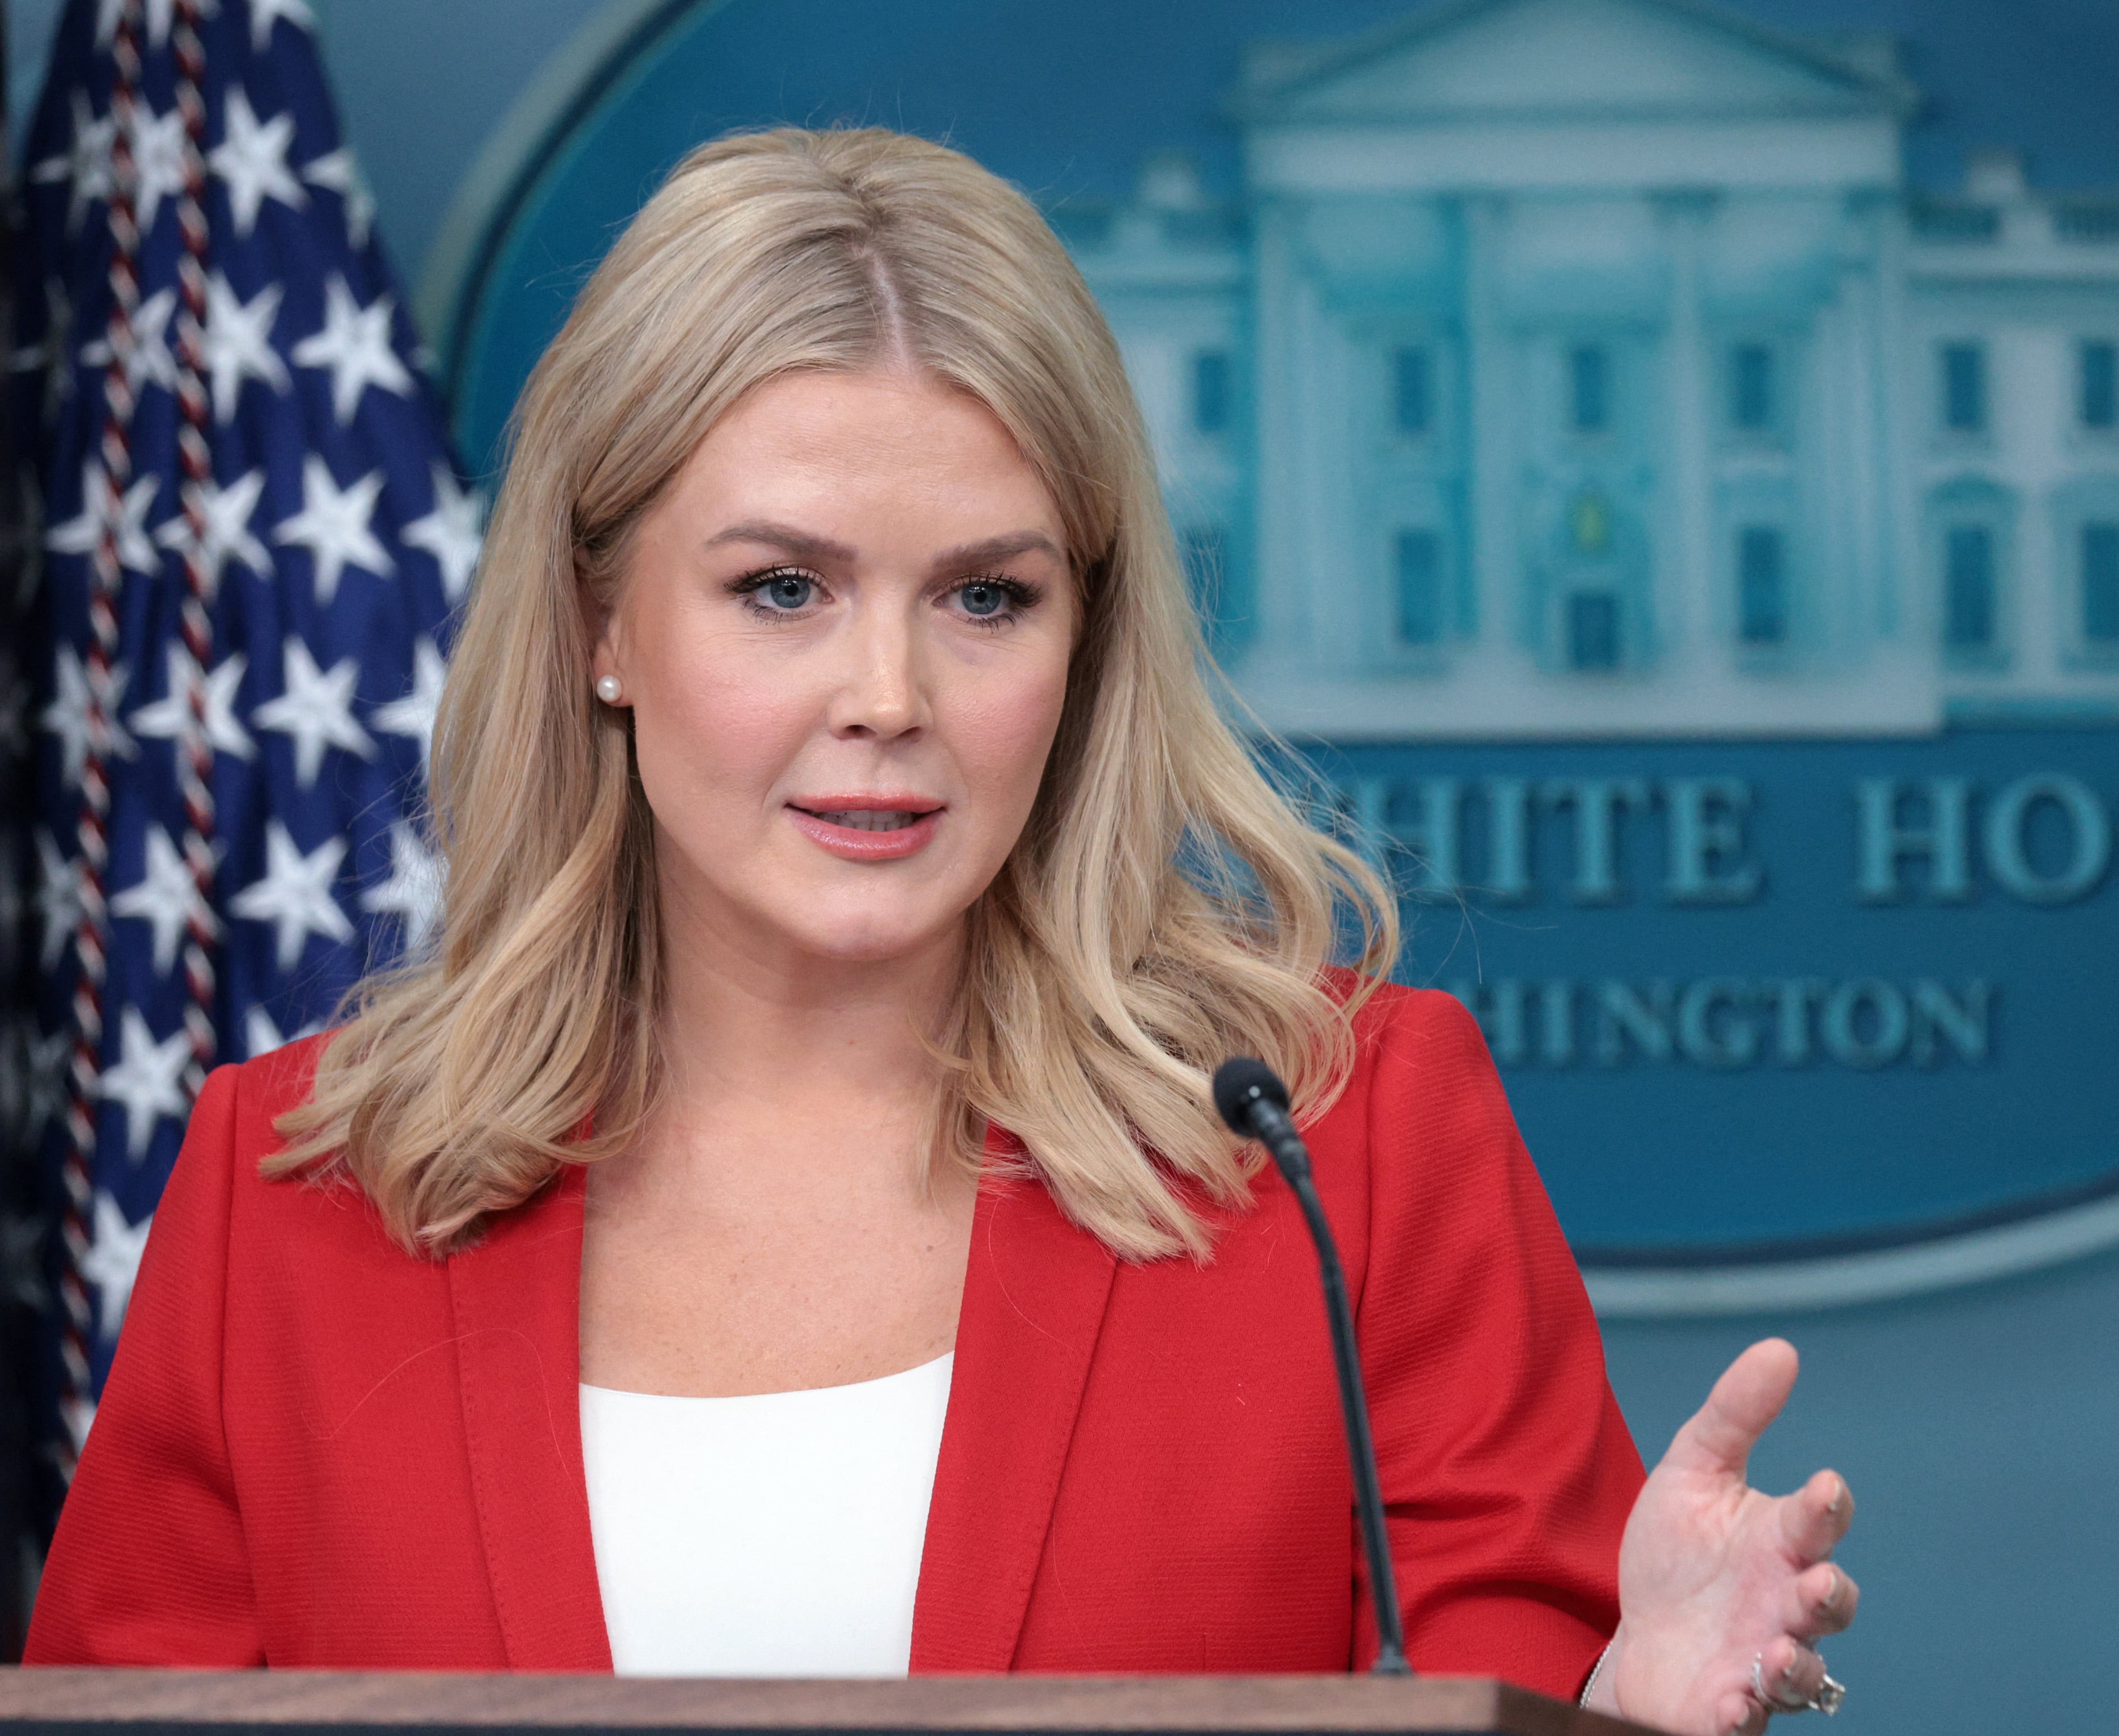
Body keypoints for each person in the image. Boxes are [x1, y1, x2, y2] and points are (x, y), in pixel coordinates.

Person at [26, 128, 1855, 1732]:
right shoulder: (290, 1189)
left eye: (986, 595)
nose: (887, 692)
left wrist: (1617, 1717)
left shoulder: (1349, 1138)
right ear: (601, 622)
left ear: (1084, 639)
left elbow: (1490, 1705)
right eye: (781, 589)